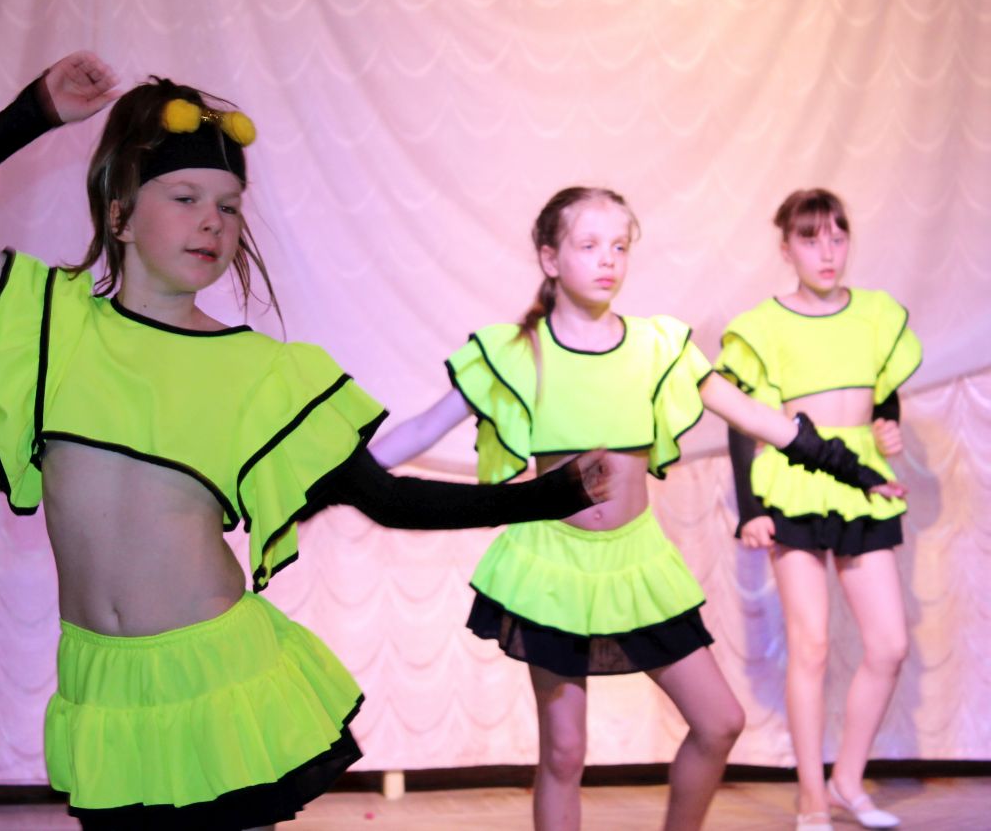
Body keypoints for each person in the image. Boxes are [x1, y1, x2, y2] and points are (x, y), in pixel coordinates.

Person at [0, 52, 617, 830]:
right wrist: (33, 112)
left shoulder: (263, 373)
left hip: (220, 676)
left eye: (230, 206)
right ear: (119, 214)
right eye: (186, 197)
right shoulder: (52, 319)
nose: (212, 221)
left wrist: (552, 493)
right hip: (102, 685)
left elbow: (389, 499)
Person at [369, 186, 905, 831]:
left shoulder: (659, 346)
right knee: (564, 752)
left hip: (636, 560)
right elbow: (420, 429)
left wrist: (852, 469)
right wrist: (334, 477)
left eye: (619, 246)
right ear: (550, 258)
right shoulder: (514, 351)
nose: (608, 259)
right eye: (589, 245)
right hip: (551, 566)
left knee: (719, 721)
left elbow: (759, 418)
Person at [717, 189, 921, 831]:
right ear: (786, 248)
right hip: (794, 482)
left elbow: (884, 393)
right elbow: (741, 419)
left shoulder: (877, 315)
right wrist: (751, 508)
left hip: (862, 483)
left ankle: (847, 781)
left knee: (889, 643)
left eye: (837, 236)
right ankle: (811, 794)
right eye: (810, 239)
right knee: (810, 644)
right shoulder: (763, 326)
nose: (827, 252)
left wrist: (888, 424)